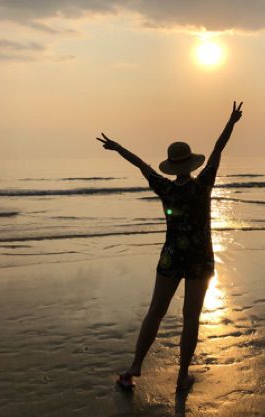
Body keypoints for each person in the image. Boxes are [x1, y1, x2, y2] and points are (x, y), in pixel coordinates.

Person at [96, 101, 243, 392]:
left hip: (171, 257)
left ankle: (135, 366)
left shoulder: (164, 187)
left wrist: (117, 147)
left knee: (155, 312)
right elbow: (218, 148)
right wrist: (231, 122)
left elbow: (141, 165)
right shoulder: (203, 184)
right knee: (191, 318)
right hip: (200, 259)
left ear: (172, 166)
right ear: (191, 163)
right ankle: (182, 376)